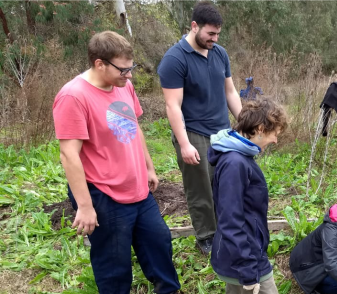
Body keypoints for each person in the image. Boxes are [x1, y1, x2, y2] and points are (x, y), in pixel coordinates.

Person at [52, 31, 180, 294]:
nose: (130, 75)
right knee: (114, 263)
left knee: (159, 242)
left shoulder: (124, 86)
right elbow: (69, 155)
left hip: (137, 188)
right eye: (124, 69)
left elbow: (134, 126)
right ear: (100, 64)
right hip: (104, 194)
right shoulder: (73, 97)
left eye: (131, 68)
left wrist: (148, 167)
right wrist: (85, 206)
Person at [157, 1, 242, 255]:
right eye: (210, 34)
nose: (214, 39)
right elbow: (173, 106)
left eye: (217, 34)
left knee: (225, 183)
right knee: (200, 189)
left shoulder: (220, 53)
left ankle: (227, 229)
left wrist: (245, 124)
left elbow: (230, 91)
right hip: (194, 133)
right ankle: (205, 236)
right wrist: (184, 143)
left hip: (223, 132)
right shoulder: (174, 59)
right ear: (194, 27)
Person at [208, 99, 288, 294]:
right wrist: (247, 268)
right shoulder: (235, 163)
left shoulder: (240, 156)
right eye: (274, 134)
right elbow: (230, 221)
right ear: (260, 128)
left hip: (243, 253)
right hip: (246, 258)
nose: (275, 140)